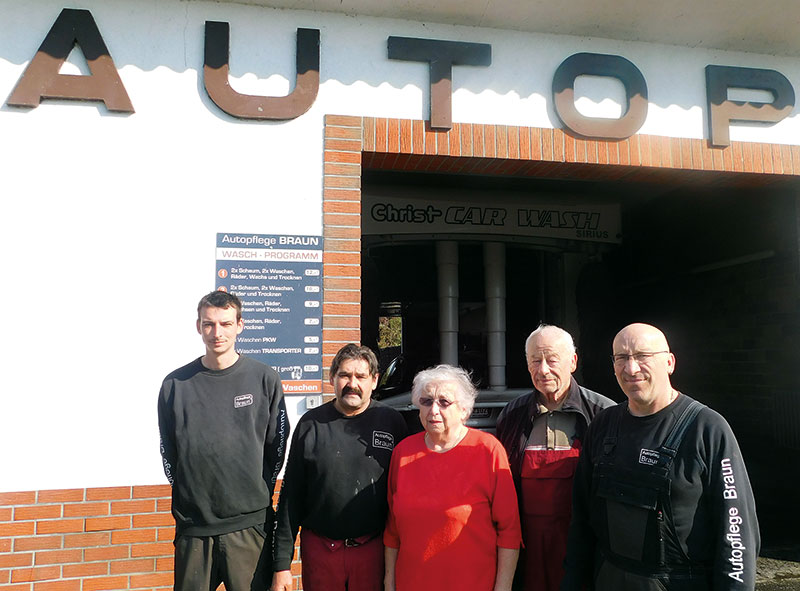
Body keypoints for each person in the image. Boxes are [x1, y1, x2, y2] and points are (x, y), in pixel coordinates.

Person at [562, 323, 760, 591]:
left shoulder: (707, 429)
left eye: (643, 356)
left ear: (669, 362)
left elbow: (736, 535)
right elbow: (581, 522)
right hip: (609, 579)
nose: (631, 368)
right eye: (621, 357)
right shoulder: (602, 425)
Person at [157, 290, 289, 591]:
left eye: (226, 324)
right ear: (198, 326)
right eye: (209, 324)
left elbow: (277, 447)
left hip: (248, 527)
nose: (217, 333)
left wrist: (255, 493)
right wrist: (191, 496)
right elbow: (169, 451)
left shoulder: (264, 379)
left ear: (240, 325)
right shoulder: (175, 385)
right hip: (195, 527)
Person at [271, 344, 407, 591]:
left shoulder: (392, 422)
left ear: (374, 381)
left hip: (373, 551)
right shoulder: (311, 424)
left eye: (361, 376)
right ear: (332, 377)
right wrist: (282, 565)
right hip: (321, 551)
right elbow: (291, 497)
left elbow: (405, 493)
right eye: (344, 375)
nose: (352, 383)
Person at [496, 324, 614, 591]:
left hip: (582, 543)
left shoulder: (604, 414)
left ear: (572, 362)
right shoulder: (511, 416)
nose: (543, 369)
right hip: (527, 546)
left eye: (552, 359)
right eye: (535, 361)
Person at [384, 365, 521, 591]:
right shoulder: (403, 452)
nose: (434, 410)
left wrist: (503, 587)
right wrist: (389, 583)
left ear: (464, 410)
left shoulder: (488, 450)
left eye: (444, 402)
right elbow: (392, 530)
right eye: (426, 401)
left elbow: (509, 531)